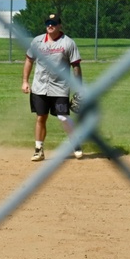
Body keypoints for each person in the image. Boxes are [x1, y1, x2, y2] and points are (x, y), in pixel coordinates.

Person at [21, 13, 84, 161]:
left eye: (54, 23)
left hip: (60, 87)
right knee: (40, 117)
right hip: (39, 86)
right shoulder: (37, 41)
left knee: (63, 117)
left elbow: (76, 66)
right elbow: (29, 60)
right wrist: (25, 81)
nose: (50, 25)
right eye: (48, 22)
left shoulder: (68, 43)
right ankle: (38, 149)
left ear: (60, 25)